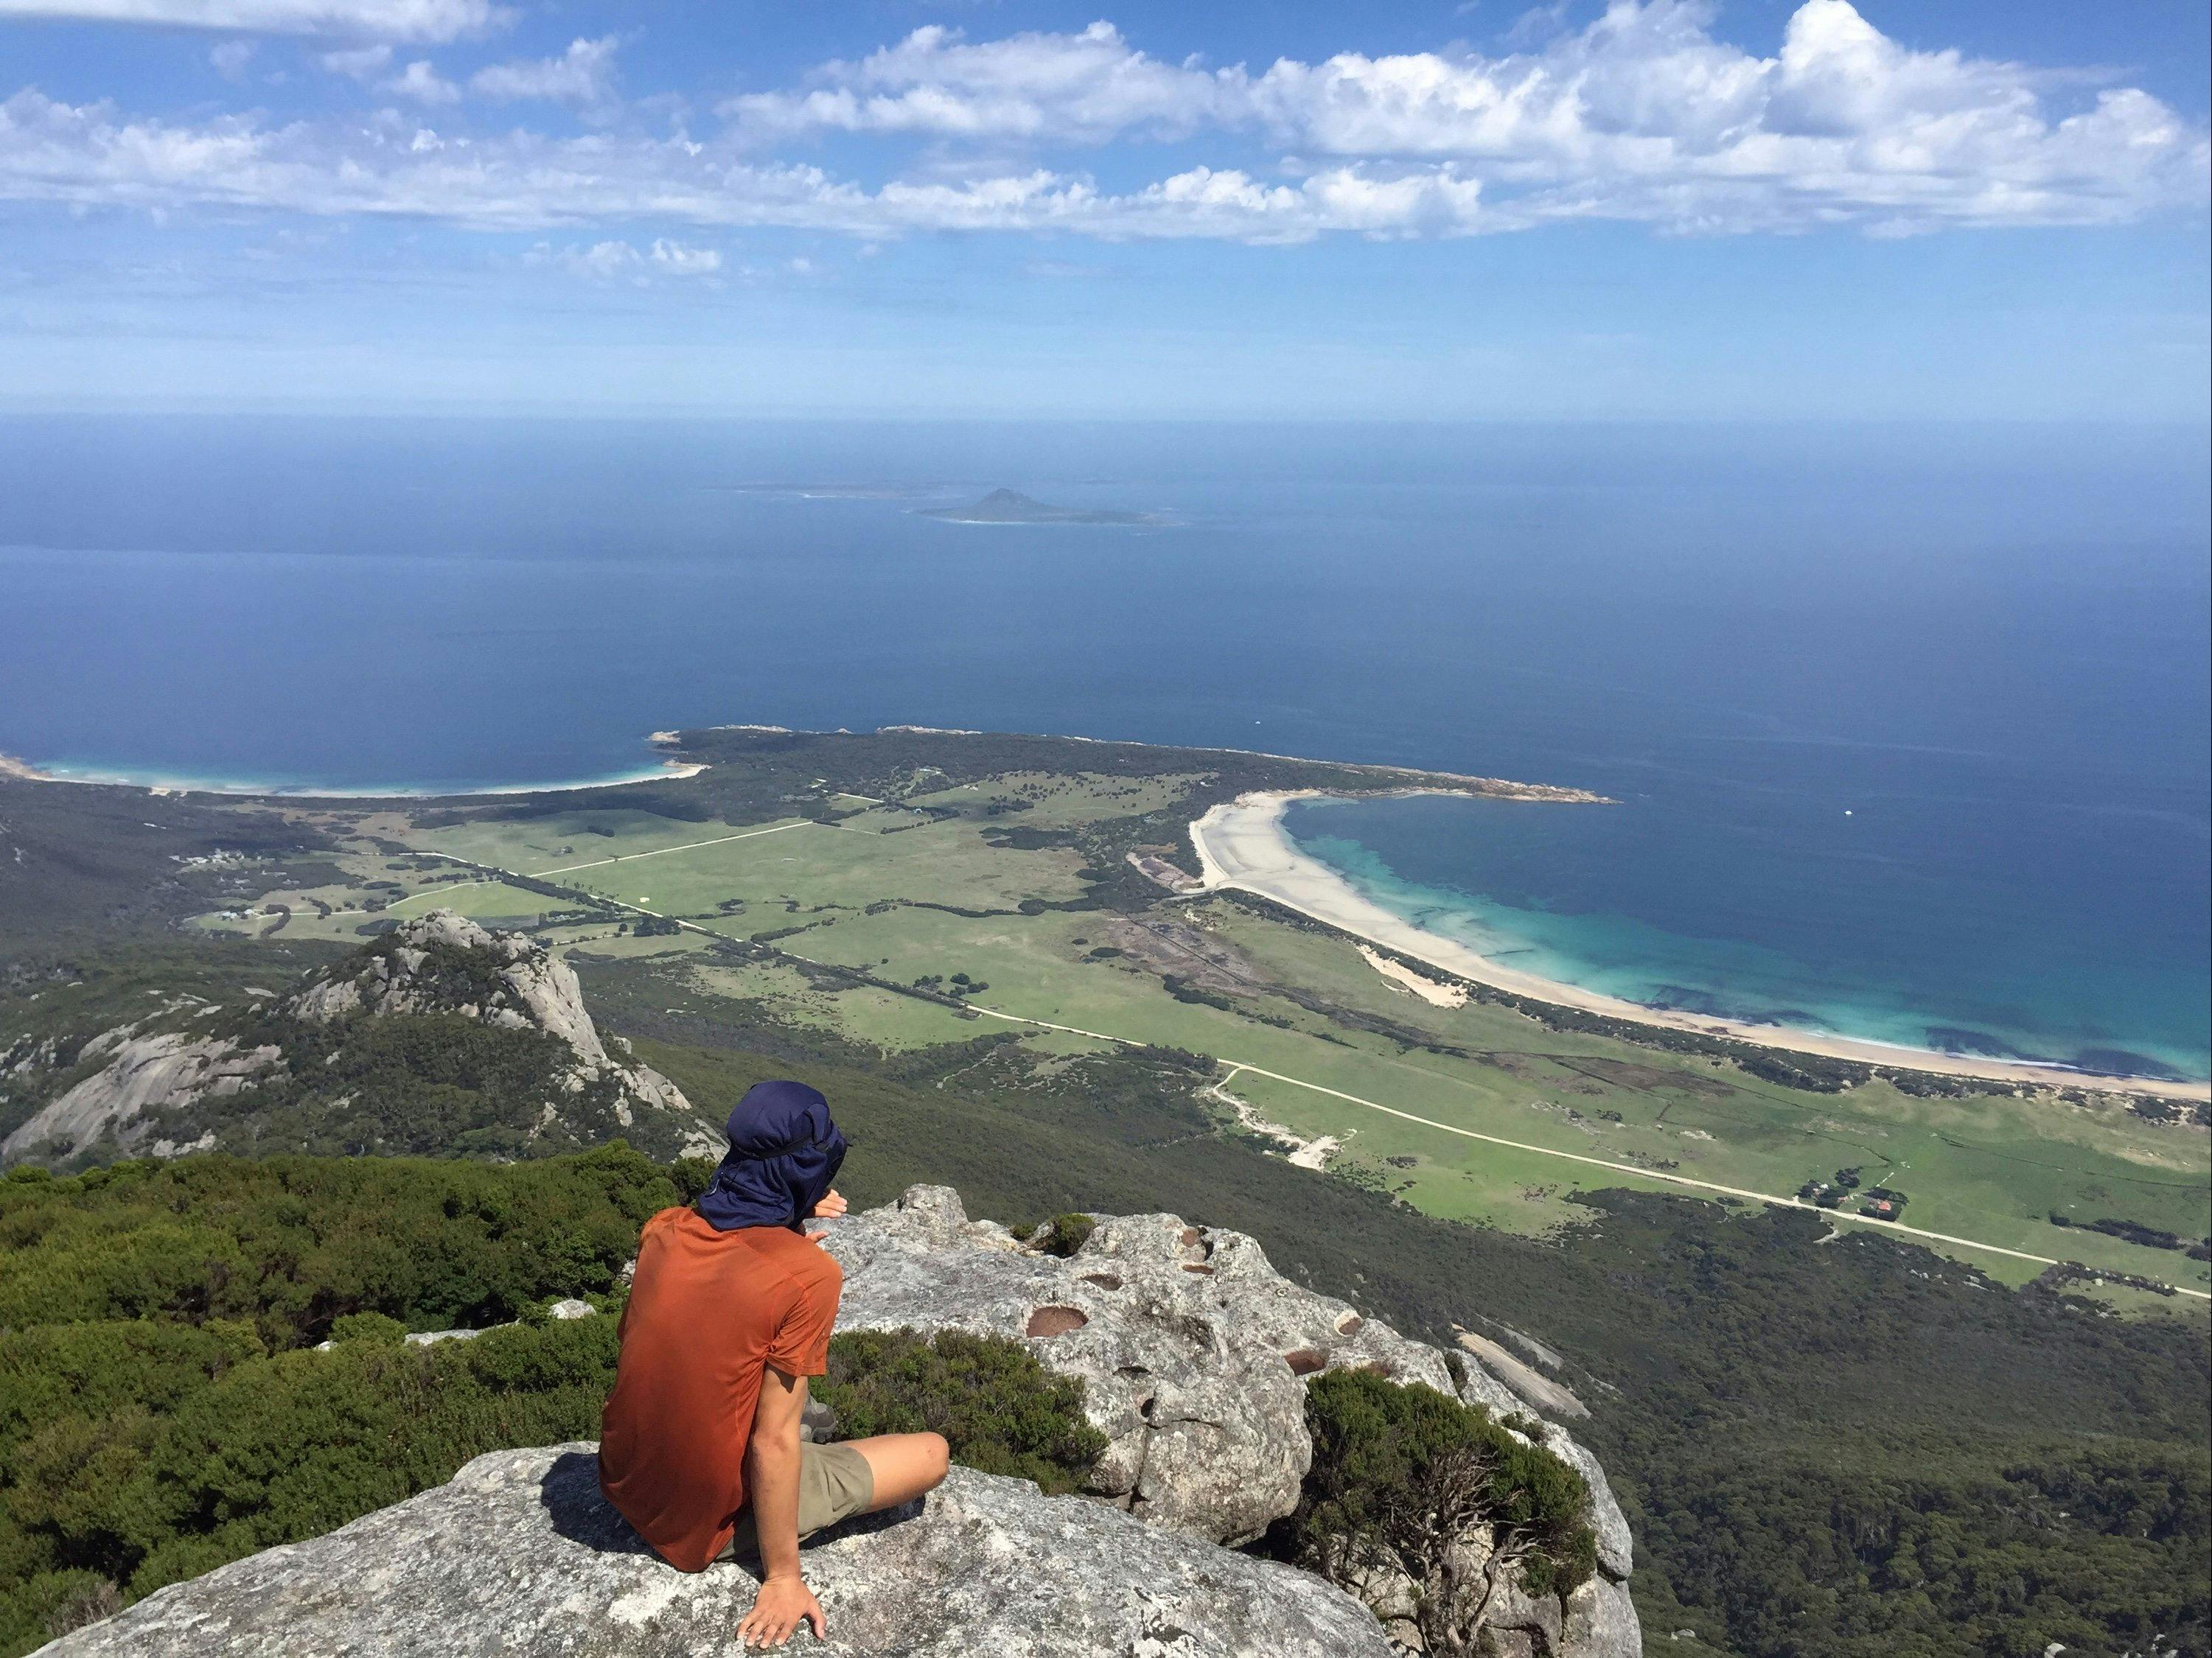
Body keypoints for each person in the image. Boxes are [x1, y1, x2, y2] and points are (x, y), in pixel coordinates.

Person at [599, 1079, 950, 1651]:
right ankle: (765, 1536)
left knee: (803, 1409)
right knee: (931, 1454)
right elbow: (773, 1443)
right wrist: (783, 1578)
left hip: (624, 1478)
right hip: (697, 1518)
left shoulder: (664, 1229)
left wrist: (785, 1223)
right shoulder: (809, 1278)